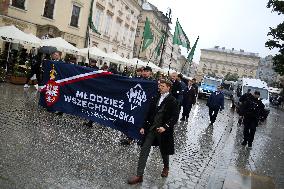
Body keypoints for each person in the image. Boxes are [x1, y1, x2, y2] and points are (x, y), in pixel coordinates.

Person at [127, 79, 179, 185]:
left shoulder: (173, 100)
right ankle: (139, 175)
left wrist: (165, 127)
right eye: (160, 86)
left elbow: (175, 117)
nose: (160, 87)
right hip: (151, 129)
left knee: (164, 151)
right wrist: (143, 127)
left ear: (168, 87)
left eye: (163, 86)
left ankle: (166, 167)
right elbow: (149, 113)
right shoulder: (155, 97)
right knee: (144, 150)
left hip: (163, 131)